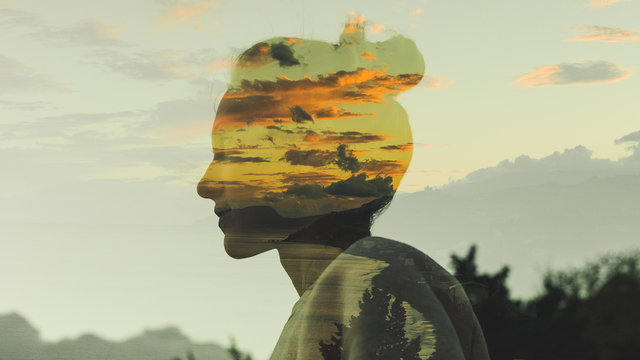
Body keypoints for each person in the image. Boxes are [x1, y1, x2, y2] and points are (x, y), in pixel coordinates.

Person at [198, 15, 490, 360]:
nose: (205, 185)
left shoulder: (373, 280)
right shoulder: (345, 292)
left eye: (234, 153)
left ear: (314, 162)